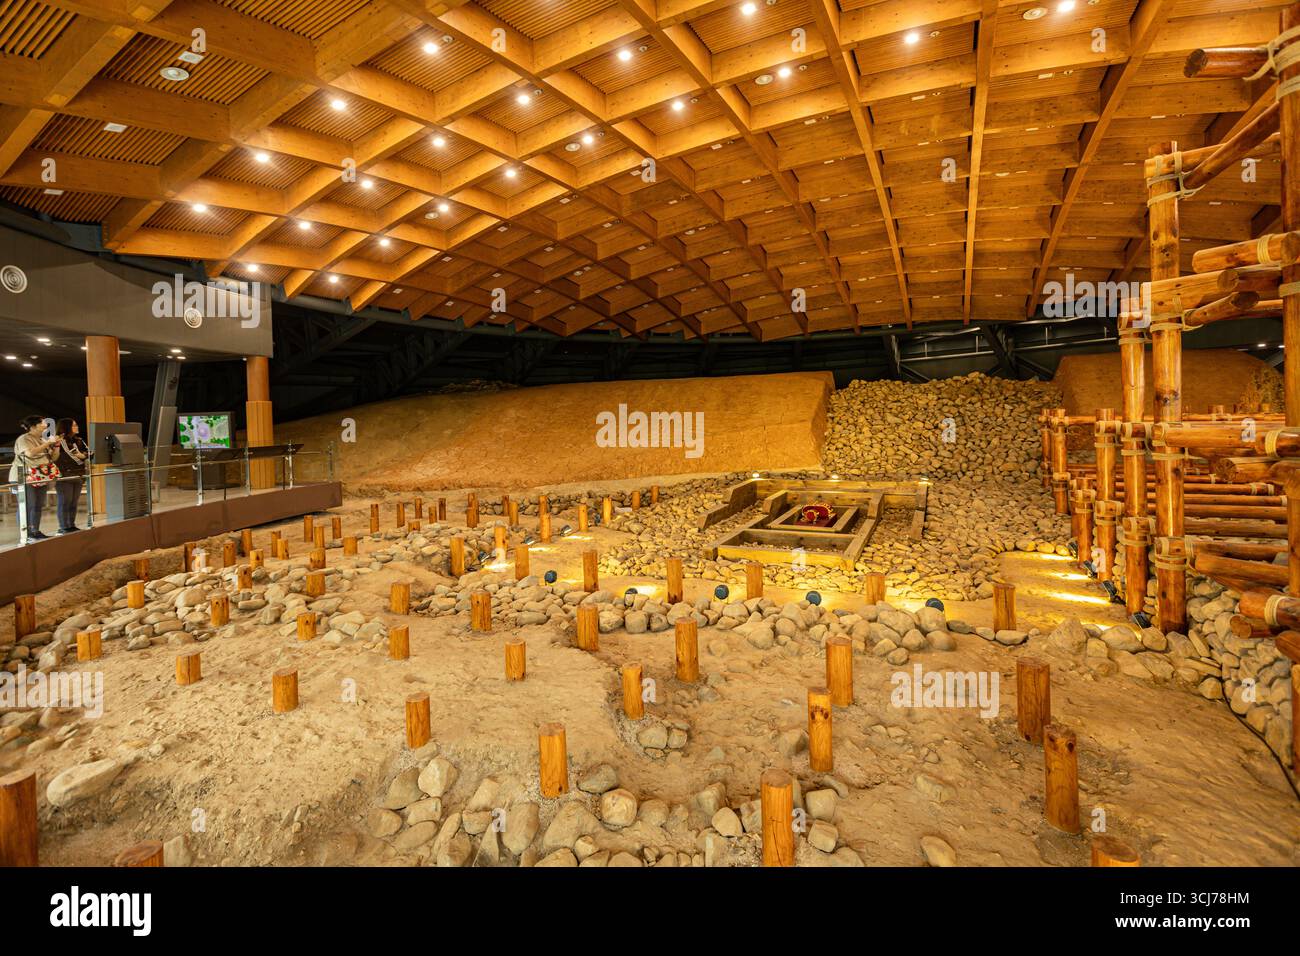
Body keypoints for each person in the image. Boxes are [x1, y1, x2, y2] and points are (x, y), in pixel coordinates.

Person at [8, 415, 60, 541]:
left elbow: (52, 458)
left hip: (40, 476)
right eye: (43, 423)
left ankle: (35, 531)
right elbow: (30, 453)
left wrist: (56, 446)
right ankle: (26, 533)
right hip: (24, 476)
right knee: (27, 505)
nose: (46, 425)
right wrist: (48, 442)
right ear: (34, 426)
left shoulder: (42, 439)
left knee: (37, 505)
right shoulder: (23, 439)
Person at [53, 418, 89, 534]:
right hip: (65, 475)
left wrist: (83, 455)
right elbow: (72, 455)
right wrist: (82, 457)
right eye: (74, 425)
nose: (77, 427)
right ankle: (64, 526)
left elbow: (90, 453)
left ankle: (71, 524)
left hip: (79, 474)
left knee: (74, 502)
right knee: (65, 501)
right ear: (67, 427)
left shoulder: (79, 439)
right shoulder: (59, 440)